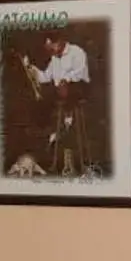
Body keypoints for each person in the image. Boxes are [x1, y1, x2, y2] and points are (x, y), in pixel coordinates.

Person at [21, 32, 95, 177]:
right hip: (62, 93)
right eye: (48, 48)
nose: (51, 51)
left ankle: (64, 126)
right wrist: (32, 70)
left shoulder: (77, 52)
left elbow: (80, 73)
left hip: (78, 87)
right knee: (42, 102)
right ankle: (54, 133)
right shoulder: (54, 58)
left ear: (60, 41)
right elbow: (45, 77)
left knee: (64, 88)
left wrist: (65, 79)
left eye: (52, 46)